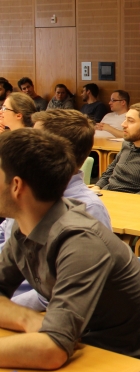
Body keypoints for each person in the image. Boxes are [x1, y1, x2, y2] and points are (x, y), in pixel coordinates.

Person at [0, 129, 140, 367]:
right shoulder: (25, 224)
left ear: (17, 186)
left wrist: (35, 326)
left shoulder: (80, 242)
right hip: (77, 344)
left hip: (122, 361)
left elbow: (53, 350)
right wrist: (25, 318)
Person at [1, 109, 114, 312]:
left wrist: (10, 311)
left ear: (53, 151)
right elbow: (4, 236)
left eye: (35, 140)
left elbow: (59, 297)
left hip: (33, 308)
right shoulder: (27, 196)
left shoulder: (88, 211)